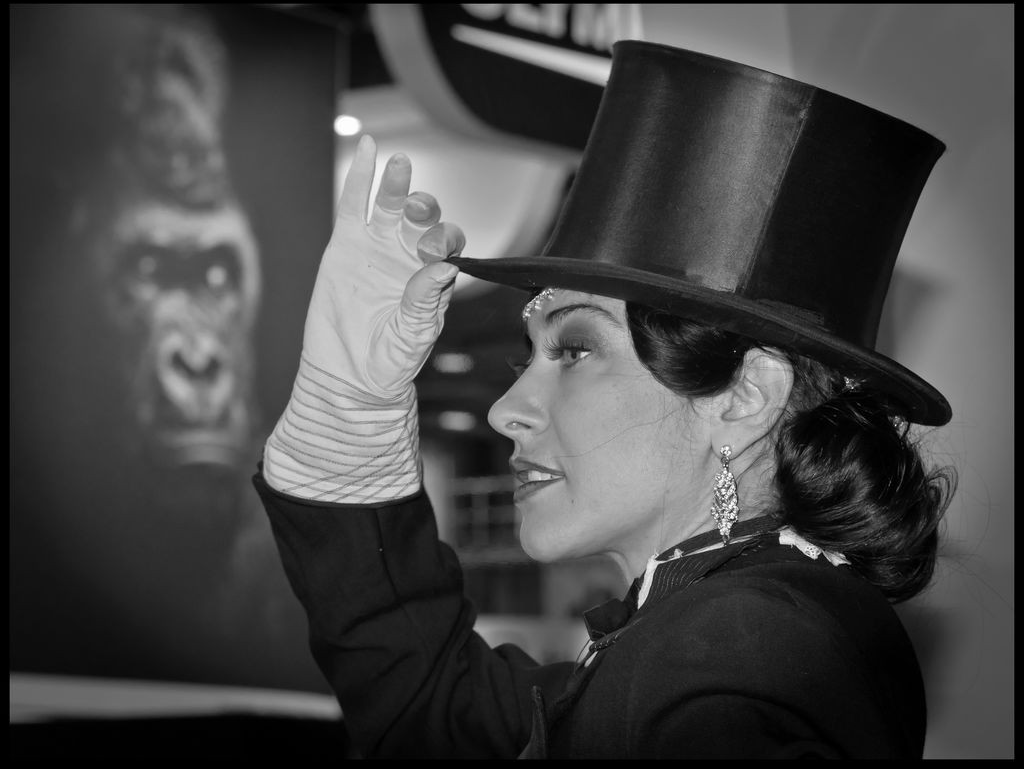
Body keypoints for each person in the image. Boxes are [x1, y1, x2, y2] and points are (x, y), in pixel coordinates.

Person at [252, 41, 956, 758]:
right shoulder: (723, 630)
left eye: (575, 350)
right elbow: (449, 719)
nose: (504, 410)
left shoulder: (733, 651)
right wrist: (350, 412)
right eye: (528, 355)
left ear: (745, 395)